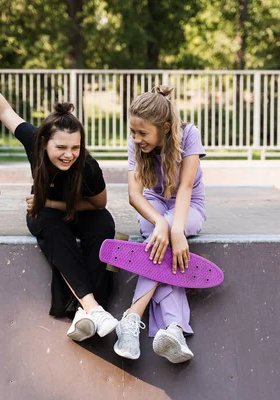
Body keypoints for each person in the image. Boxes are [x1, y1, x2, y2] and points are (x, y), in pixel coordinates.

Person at [0, 53, 118, 342]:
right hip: (45, 214)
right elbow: (3, 109)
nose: (69, 155)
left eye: (76, 147)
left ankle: (83, 313)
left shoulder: (87, 167)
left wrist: (53, 202)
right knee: (51, 227)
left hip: (78, 210)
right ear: (44, 142)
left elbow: (98, 204)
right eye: (61, 147)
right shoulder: (33, 140)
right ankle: (93, 308)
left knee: (104, 225)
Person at [113, 85, 206, 364]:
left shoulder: (189, 134)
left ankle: (131, 317)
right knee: (157, 241)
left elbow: (187, 187)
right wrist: (160, 224)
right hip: (153, 205)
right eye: (133, 132)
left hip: (188, 206)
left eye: (143, 133)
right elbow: (134, 196)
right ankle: (174, 329)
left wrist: (175, 229)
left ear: (165, 127)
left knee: (157, 244)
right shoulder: (136, 145)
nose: (136, 139)